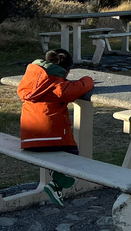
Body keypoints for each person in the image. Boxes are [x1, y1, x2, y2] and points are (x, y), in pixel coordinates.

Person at [17, 48, 94, 207]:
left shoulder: (30, 82)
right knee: (74, 160)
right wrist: (88, 79)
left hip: (29, 139)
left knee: (60, 160)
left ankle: (55, 183)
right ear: (67, 71)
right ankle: (56, 182)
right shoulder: (59, 87)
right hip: (52, 138)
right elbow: (82, 86)